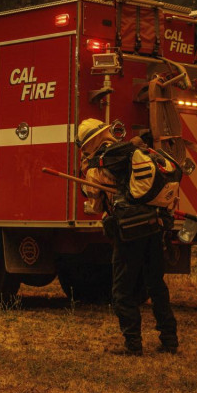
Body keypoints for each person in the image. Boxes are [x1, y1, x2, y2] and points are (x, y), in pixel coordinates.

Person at [77, 118, 179, 356]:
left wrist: (87, 176)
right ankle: (170, 340)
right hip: (155, 225)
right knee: (156, 285)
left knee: (122, 290)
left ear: (90, 142)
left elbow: (94, 197)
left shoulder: (100, 161)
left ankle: (132, 344)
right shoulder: (133, 152)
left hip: (129, 230)